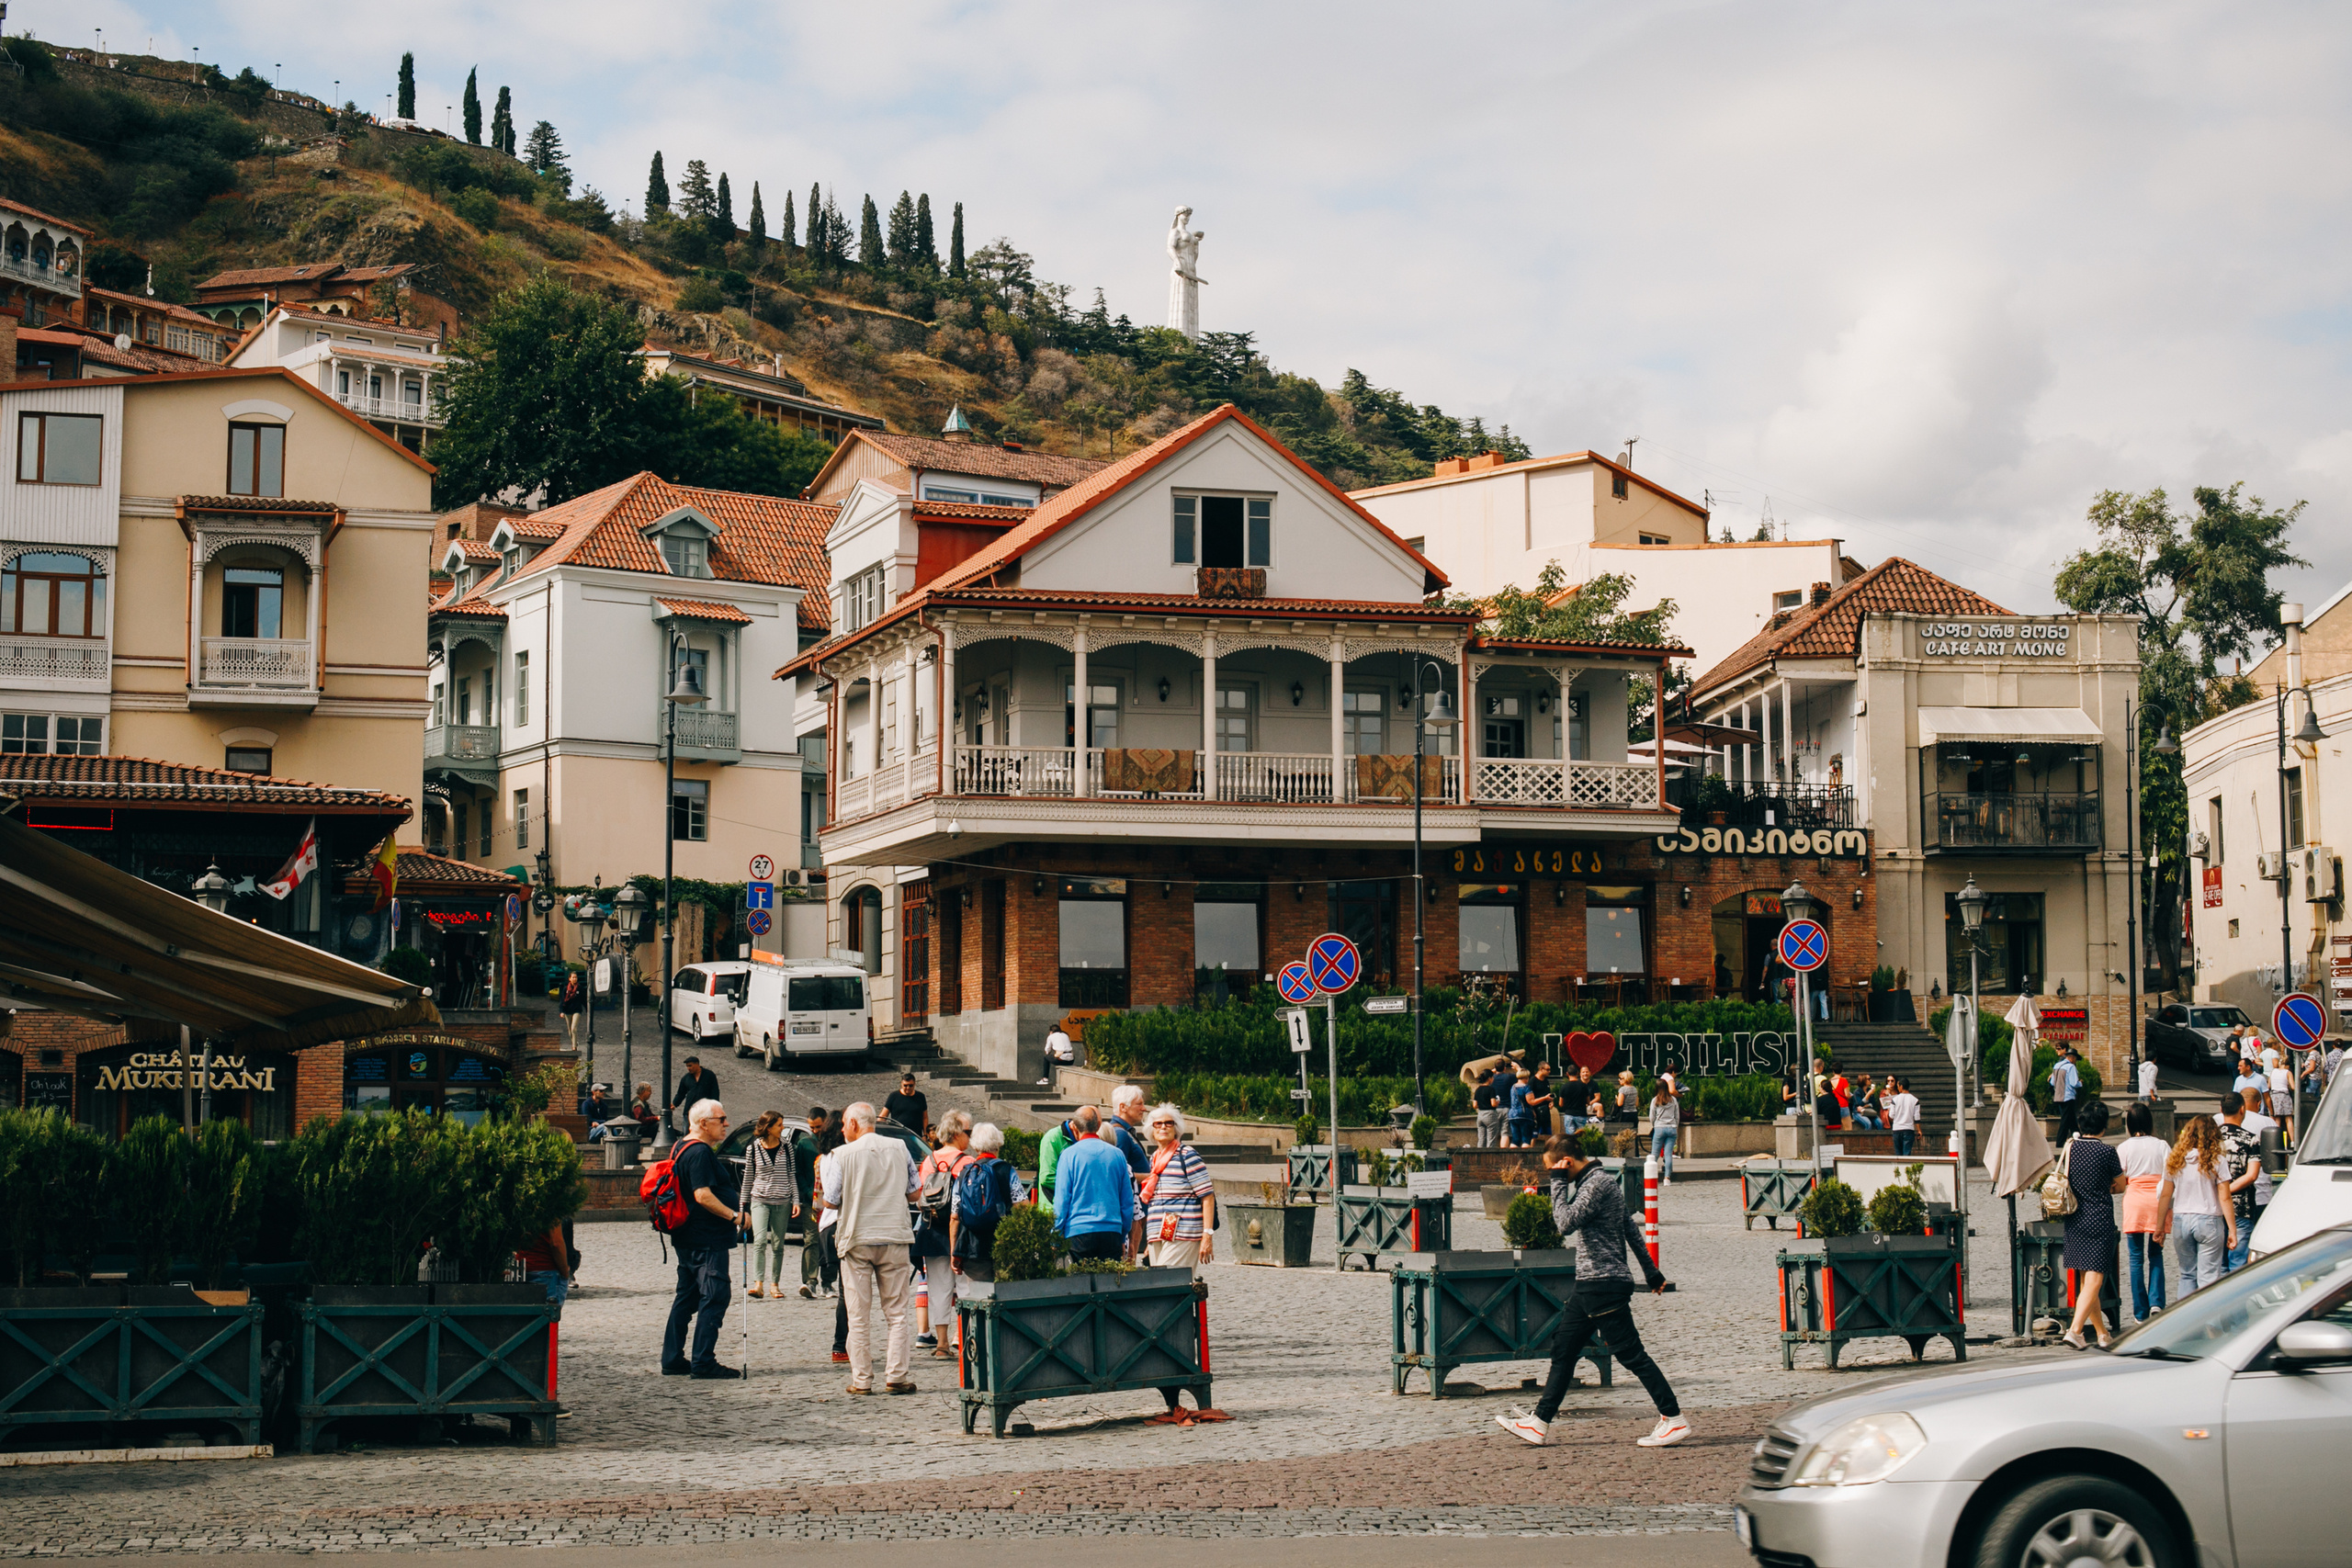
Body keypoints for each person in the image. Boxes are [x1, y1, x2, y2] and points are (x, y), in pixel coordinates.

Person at [1497, 1134, 1686, 1450]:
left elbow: (1564, 1222)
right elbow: (1629, 1229)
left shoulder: (1595, 1184)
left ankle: (1674, 1419)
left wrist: (1557, 1183)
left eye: (1553, 1168)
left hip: (1602, 1284)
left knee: (1631, 1355)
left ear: (1566, 1162)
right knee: (1564, 1350)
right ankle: (1539, 1423)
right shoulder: (1601, 1182)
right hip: (1592, 1285)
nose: (1552, 1174)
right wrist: (1651, 1273)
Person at [1138, 1104, 1226, 1425]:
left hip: (1184, 1231)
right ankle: (1170, 1358)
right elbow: (1156, 1199)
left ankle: (1176, 1356)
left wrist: (1207, 1234)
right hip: (1160, 1233)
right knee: (1164, 1292)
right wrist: (1148, 1241)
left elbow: (1207, 1194)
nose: (1163, 1127)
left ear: (1177, 1127)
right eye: (1157, 1123)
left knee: (1171, 1293)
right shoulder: (1155, 1158)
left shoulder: (1187, 1154)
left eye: (1168, 1123)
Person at [832, 1101, 922, 1395]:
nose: (842, 1128)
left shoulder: (841, 1154)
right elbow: (915, 1193)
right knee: (897, 1313)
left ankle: (862, 1380)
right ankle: (896, 1376)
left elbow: (830, 1201)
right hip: (894, 1235)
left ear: (855, 1124)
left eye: (845, 1122)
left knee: (858, 1314)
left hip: (856, 1238)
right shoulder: (899, 1148)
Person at [659, 1099, 746, 1380]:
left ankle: (672, 1358)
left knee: (688, 1295)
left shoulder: (680, 1146)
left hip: (688, 1237)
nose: (726, 1124)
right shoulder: (699, 1153)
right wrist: (735, 1216)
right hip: (705, 1239)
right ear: (703, 1123)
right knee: (715, 1295)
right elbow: (702, 1195)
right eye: (721, 1119)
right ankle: (703, 1361)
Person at [2058, 1099, 2123, 1351]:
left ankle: (2102, 1333)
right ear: (2104, 1126)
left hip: (2074, 1217)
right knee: (2095, 1278)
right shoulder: (2107, 1152)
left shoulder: (2071, 1148)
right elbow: (2121, 1185)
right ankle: (2075, 1331)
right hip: (2099, 1217)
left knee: (2087, 1281)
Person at [913, 1111, 975, 1359]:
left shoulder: (929, 1162)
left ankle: (940, 1344)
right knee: (966, 1288)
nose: (970, 1138)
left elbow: (919, 1199)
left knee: (938, 1289)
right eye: (968, 1132)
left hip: (933, 1232)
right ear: (958, 1134)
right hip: (962, 1233)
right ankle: (965, 1338)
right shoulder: (968, 1162)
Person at [2159, 1114, 2234, 1297]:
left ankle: (2185, 1322)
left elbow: (2165, 1195)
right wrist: (2232, 1229)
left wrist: (2159, 1226)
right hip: (2209, 1219)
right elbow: (2225, 1198)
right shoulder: (2217, 1160)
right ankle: (2209, 1323)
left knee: (2187, 1275)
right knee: (2208, 1278)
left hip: (2181, 1219)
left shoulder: (2175, 1160)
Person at [1050, 1106, 1136, 1261]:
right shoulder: (1117, 1155)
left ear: (1075, 1128)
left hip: (1078, 1232)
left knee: (1080, 1282)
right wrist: (1123, 1235)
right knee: (1109, 1282)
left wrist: (1055, 1236)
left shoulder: (1068, 1155)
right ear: (1098, 1126)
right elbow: (1127, 1202)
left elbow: (1062, 1201)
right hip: (1112, 1231)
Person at [2115, 1101, 2170, 1324]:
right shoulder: (2162, 1145)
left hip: (2135, 1200)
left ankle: (2140, 1311)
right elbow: (2171, 1173)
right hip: (2158, 1201)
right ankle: (2157, 1303)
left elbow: (2120, 1177)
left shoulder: (2125, 1147)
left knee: (2136, 1258)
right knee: (2156, 1254)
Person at [742, 1111, 800, 1300]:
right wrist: (743, 1207)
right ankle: (758, 1284)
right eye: (779, 1125)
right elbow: (748, 1178)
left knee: (778, 1245)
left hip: (782, 1201)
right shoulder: (753, 1149)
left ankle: (774, 1284)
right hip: (760, 1200)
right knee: (759, 1241)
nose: (782, 1128)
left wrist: (796, 1200)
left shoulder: (787, 1147)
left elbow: (792, 1175)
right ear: (768, 1128)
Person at [951, 1122, 1016, 1282]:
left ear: (976, 1146)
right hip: (1002, 1244)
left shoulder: (965, 1172)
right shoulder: (1006, 1170)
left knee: (978, 1298)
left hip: (973, 1248)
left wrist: (955, 1251)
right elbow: (1022, 1205)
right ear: (998, 1144)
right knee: (1005, 1294)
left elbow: (955, 1216)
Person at [2214, 1090, 2268, 1271]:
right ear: (2242, 1109)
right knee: (2238, 1265)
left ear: (2221, 1110)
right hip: (2241, 1207)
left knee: (2217, 1264)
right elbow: (2252, 1175)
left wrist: (2220, 1192)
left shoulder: (2211, 1139)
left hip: (2213, 1207)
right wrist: (2227, 1191)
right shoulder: (2251, 1139)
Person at [668, 1056, 719, 1134]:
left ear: (697, 1064)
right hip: (689, 1111)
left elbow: (715, 1092)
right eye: (687, 1066)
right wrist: (674, 1104)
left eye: (690, 1065)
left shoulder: (709, 1075)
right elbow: (681, 1093)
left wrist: (715, 1107)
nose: (688, 1068)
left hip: (705, 1111)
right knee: (687, 1133)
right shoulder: (686, 1078)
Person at [1647, 1077, 1680, 1187]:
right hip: (1671, 1128)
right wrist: (1675, 1126)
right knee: (1668, 1154)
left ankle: (1651, 1176)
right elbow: (1677, 1116)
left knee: (1655, 1154)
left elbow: (1652, 1116)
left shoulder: (1655, 1100)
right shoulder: (1673, 1100)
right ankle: (1667, 1178)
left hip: (1659, 1127)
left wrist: (1655, 1125)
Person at [2050, 1044, 2082, 1146]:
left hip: (2058, 1096)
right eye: (2075, 1059)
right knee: (2065, 1121)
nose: (2075, 1061)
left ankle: (2079, 1139)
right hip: (2068, 1097)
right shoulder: (2071, 1067)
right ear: (2072, 1058)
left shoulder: (2056, 1066)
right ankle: (2059, 1143)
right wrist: (2080, 1083)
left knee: (2071, 1120)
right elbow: (2074, 1083)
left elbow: (2052, 1082)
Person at [884, 1072, 931, 1139]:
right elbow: (883, 1117)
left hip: (916, 1136)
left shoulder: (920, 1097)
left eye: (910, 1085)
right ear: (901, 1084)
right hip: (897, 1135)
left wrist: (925, 1135)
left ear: (914, 1084)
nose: (908, 1088)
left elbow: (925, 1117)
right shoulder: (894, 1096)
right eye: (905, 1085)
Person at [1884, 1077, 1921, 1157]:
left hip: (1897, 1129)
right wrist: (1919, 1130)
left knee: (1898, 1155)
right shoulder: (1915, 1100)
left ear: (1901, 1086)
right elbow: (1917, 1117)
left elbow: (1891, 1115)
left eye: (1898, 1086)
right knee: (1906, 1155)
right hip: (1909, 1129)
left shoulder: (1895, 1100)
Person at [1474, 1064, 1506, 1147]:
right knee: (1491, 1139)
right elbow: (1493, 1104)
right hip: (1490, 1115)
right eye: (1492, 1077)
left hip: (1480, 1115)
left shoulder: (1478, 1090)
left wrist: (1482, 1103)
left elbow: (1474, 1105)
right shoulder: (1491, 1089)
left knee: (1481, 1139)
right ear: (1489, 1079)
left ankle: (1479, 1156)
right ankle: (1489, 1157)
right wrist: (1497, 1102)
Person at [1507, 1067, 1539, 1149]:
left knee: (1515, 1139)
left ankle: (1512, 1159)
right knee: (1526, 1139)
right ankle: (1525, 1159)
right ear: (1526, 1078)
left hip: (1512, 1115)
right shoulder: (1526, 1087)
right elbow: (1531, 1101)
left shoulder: (1513, 1087)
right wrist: (1545, 1098)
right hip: (1524, 1114)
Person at [1039, 1021, 1078, 1085]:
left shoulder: (1051, 1036)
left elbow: (1047, 1050)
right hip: (1071, 1060)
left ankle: (1045, 1078)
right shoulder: (1066, 1035)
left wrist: (1050, 1052)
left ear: (1051, 1031)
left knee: (1046, 1058)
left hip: (1061, 1059)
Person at [559, 968, 584, 1045]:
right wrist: (561, 1011)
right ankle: (575, 1042)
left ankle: (574, 1047)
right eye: (573, 977)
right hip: (567, 1011)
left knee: (573, 1029)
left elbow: (584, 999)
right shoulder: (565, 989)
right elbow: (562, 1000)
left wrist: (588, 1009)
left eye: (576, 977)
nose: (575, 979)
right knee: (570, 1030)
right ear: (569, 979)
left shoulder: (580, 988)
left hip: (577, 1010)